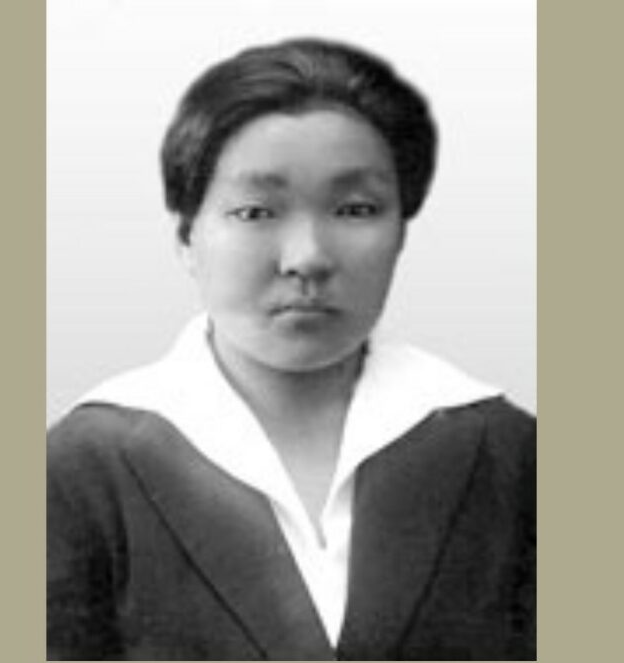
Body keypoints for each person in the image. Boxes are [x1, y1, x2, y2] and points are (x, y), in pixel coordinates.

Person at [47, 37, 535, 661]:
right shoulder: (80, 467)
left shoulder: (510, 452)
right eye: (255, 212)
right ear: (186, 237)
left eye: (355, 209)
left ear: (401, 233)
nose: (307, 257)